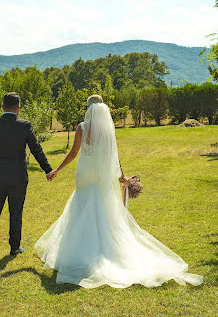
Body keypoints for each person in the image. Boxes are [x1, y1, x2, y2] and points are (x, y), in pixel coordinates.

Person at [35, 95, 203, 288]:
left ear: (89, 108)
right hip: (103, 175)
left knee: (82, 204)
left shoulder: (82, 127)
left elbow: (74, 153)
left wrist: (57, 169)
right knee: (103, 206)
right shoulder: (107, 128)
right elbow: (113, 155)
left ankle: (79, 249)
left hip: (85, 172)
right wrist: (122, 176)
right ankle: (106, 248)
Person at [0, 92, 52, 256]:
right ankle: (14, 247)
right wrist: (47, 169)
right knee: (16, 213)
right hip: (18, 177)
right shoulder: (25, 126)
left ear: (2, 106)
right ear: (18, 108)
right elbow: (36, 149)